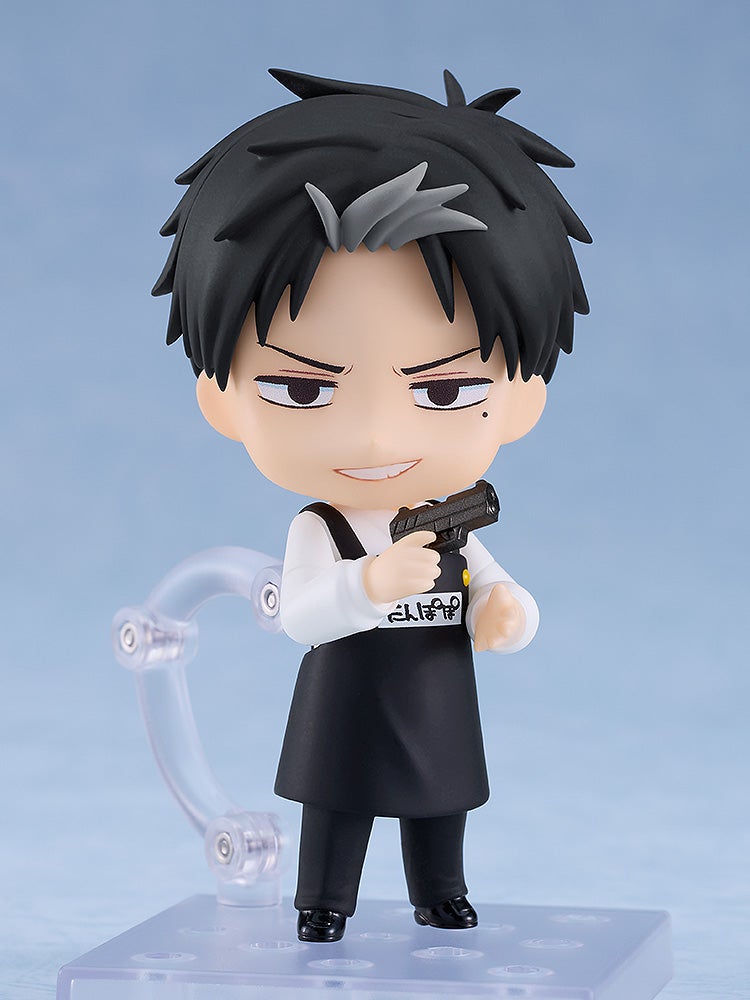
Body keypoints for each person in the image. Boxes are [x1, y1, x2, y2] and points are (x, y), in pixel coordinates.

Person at [153, 67, 591, 942]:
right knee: (337, 804)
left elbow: (497, 593)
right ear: (221, 398)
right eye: (304, 390)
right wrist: (370, 584)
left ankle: (441, 891)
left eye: (444, 391)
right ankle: (323, 901)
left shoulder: (456, 521)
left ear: (522, 399)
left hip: (436, 691)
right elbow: (302, 616)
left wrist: (505, 612)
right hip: (345, 699)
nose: (376, 436)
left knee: (441, 802)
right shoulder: (320, 528)